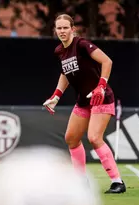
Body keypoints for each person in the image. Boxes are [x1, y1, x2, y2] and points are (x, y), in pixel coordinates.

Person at [43, 14, 126, 194]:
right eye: (59, 28)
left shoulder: (81, 45)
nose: (62, 31)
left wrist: (101, 87)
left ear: (73, 29)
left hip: (101, 97)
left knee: (94, 138)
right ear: (55, 30)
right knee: (71, 138)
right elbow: (65, 73)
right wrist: (56, 95)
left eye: (66, 27)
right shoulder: (59, 51)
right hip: (83, 100)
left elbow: (107, 61)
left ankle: (117, 181)